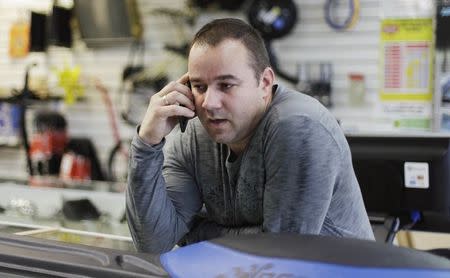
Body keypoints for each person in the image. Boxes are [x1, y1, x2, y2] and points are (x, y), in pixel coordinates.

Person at [126, 18, 374, 254]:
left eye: (226, 85)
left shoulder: (299, 127)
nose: (209, 103)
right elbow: (153, 244)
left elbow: (278, 255)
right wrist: (147, 143)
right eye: (199, 86)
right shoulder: (192, 133)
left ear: (265, 83)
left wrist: (196, 233)